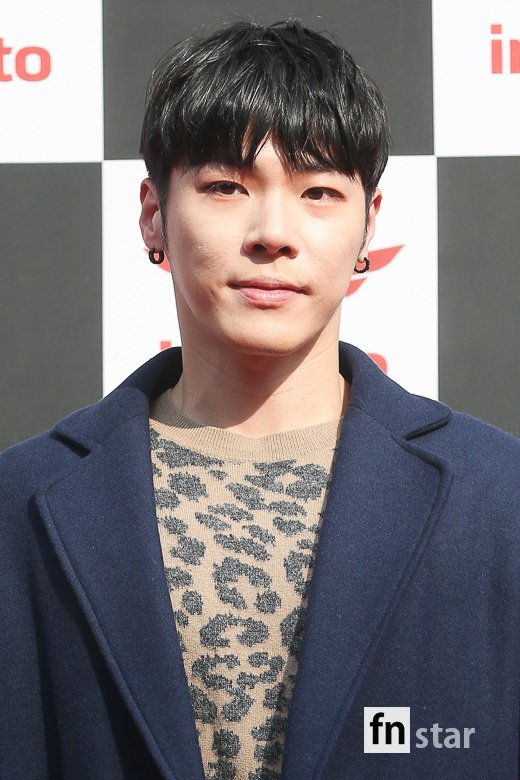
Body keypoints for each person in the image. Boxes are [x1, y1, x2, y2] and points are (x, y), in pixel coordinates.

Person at [1, 18, 519, 780]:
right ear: (153, 214)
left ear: (369, 223)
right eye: (226, 187)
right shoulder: (22, 502)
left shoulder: (498, 496)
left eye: (319, 192)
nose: (273, 233)